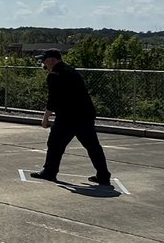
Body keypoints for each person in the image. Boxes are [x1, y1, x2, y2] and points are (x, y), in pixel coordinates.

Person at [31, 49, 111, 186]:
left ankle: (50, 172)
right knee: (93, 146)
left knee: (55, 144)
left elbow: (53, 99)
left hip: (68, 117)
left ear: (52, 60)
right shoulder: (72, 71)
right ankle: (103, 175)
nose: (43, 63)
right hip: (85, 115)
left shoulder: (54, 75)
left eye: (44, 60)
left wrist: (45, 118)